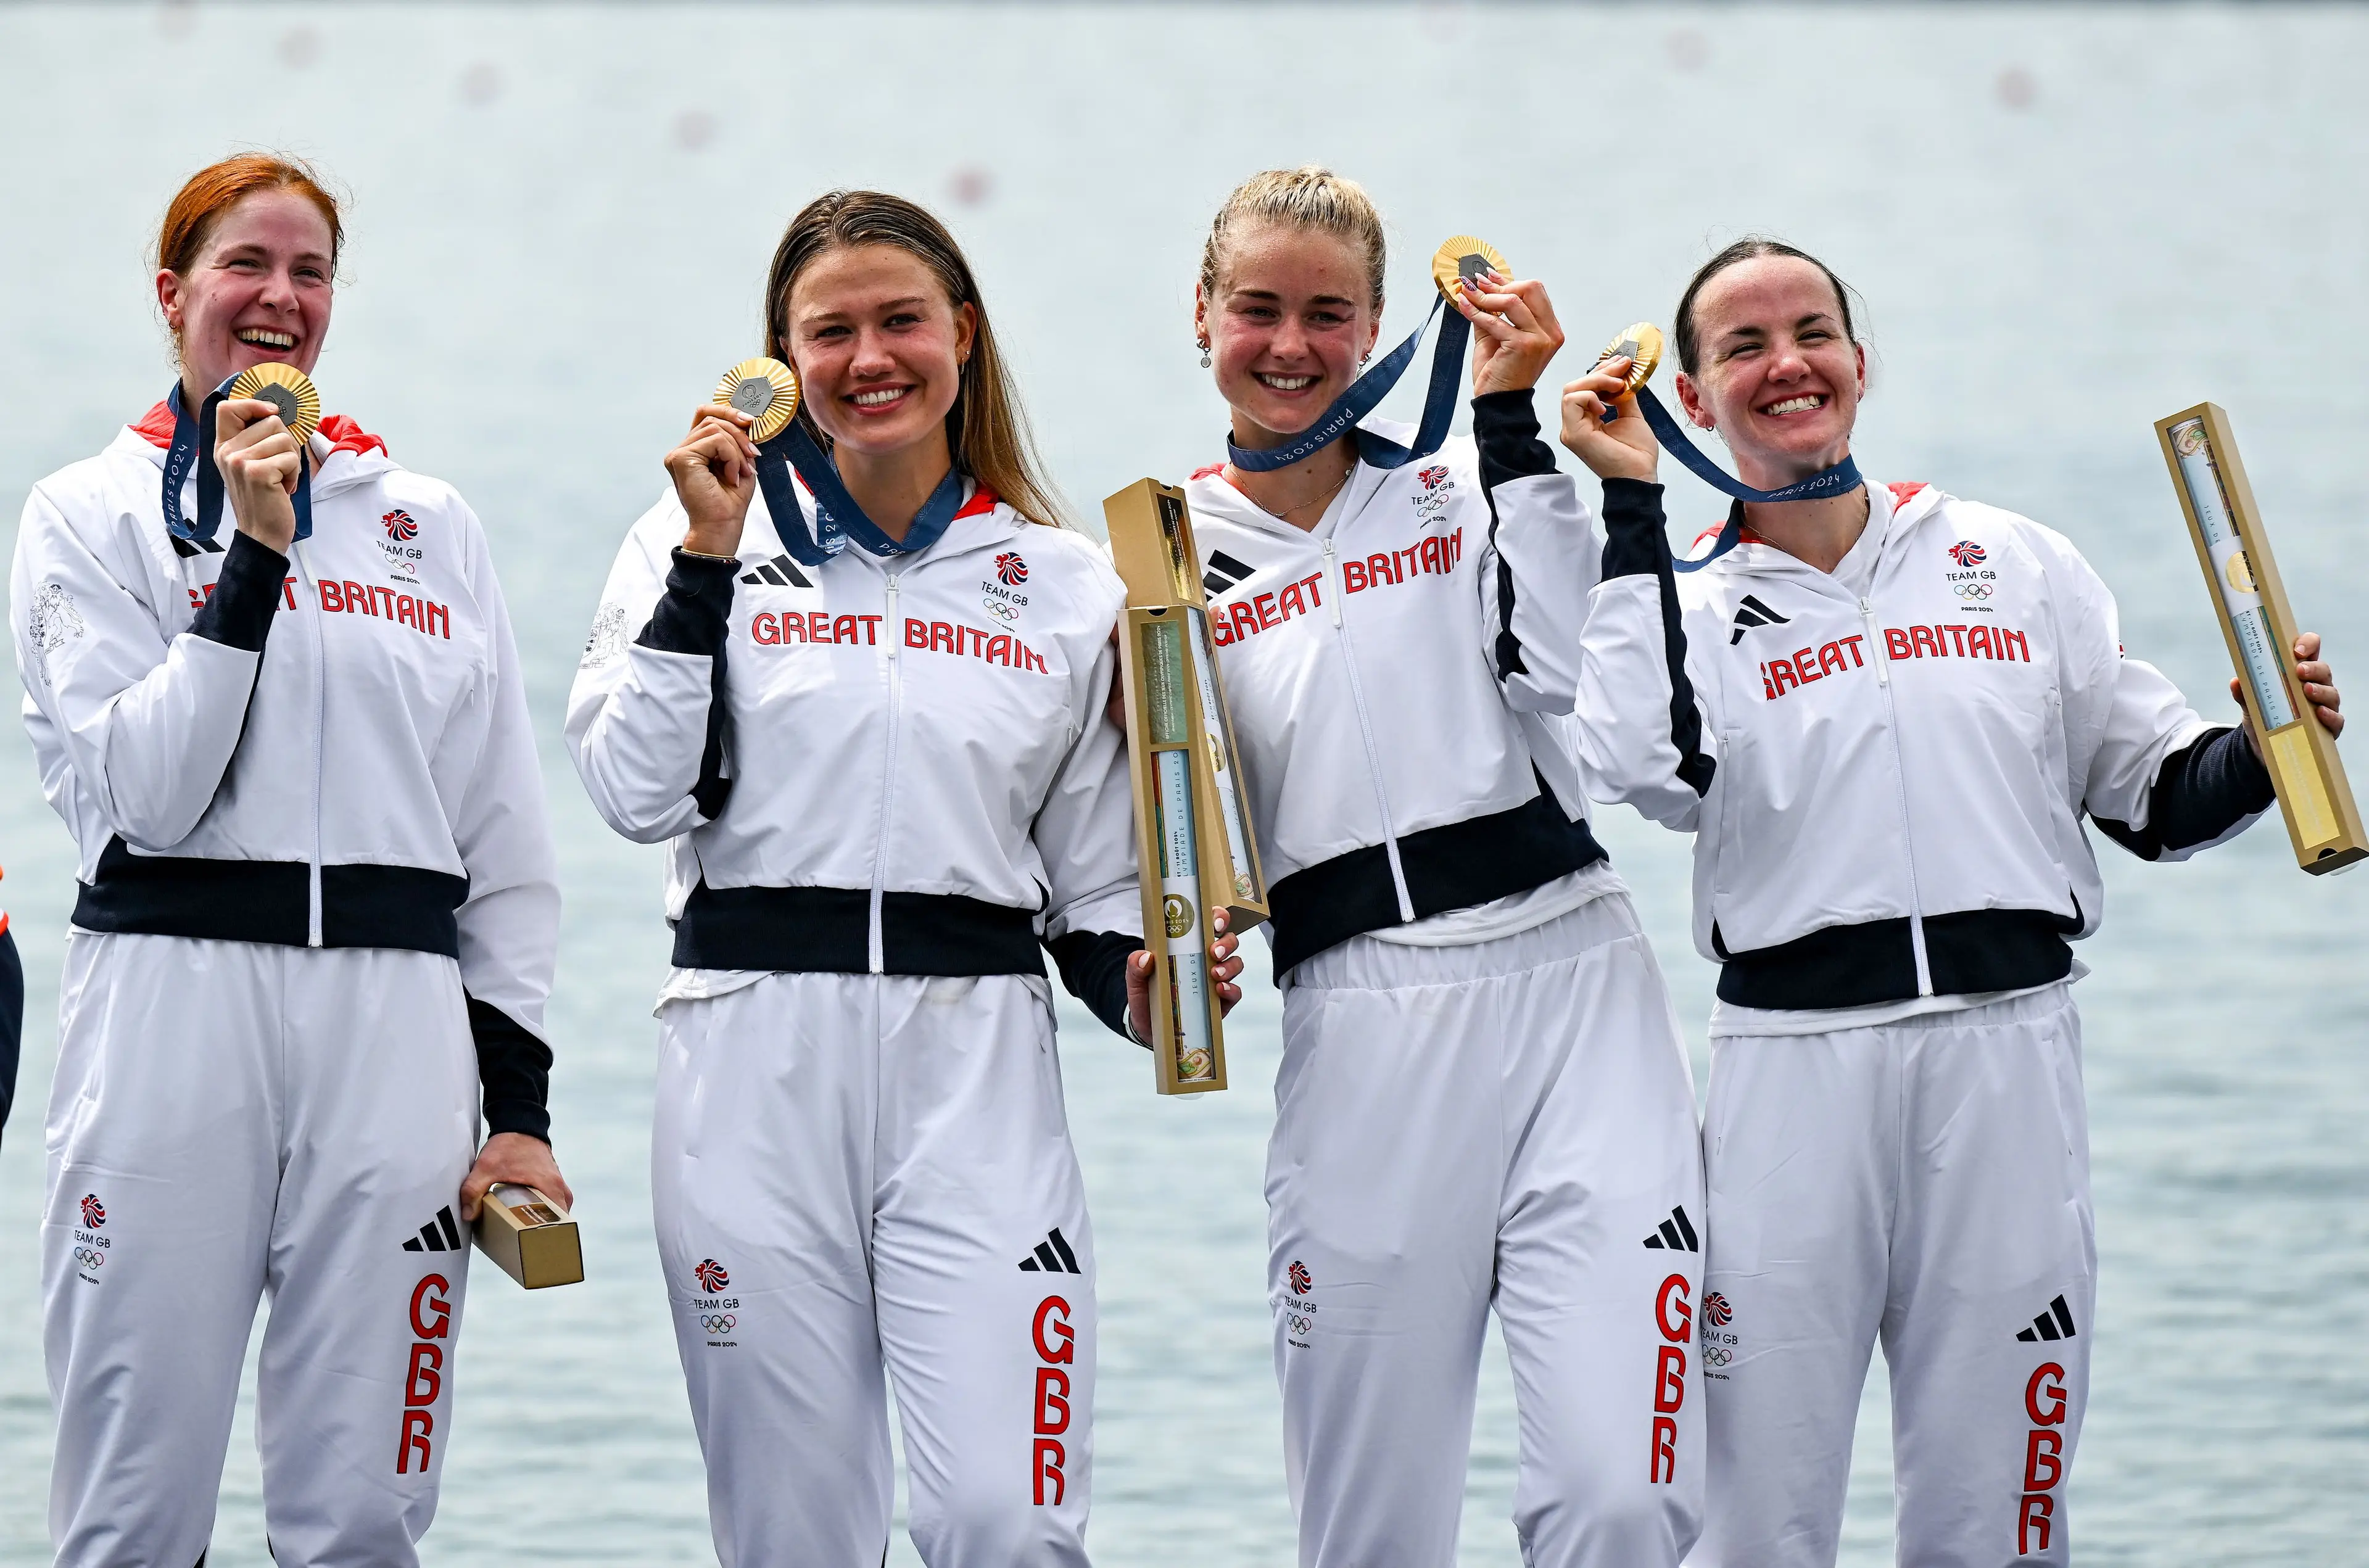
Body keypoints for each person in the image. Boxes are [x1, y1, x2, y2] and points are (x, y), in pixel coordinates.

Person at [1557, 236, 2344, 1567]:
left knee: (2004, 1511)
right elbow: (1641, 763)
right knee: (1759, 1517)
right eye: (1743, 347)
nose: (1786, 364)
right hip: (1796, 1079)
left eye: (1811, 332)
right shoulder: (1679, 598)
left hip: (2007, 1061)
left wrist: (2268, 747)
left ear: (1860, 363)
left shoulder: (2010, 556)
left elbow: (2151, 791)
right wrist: (1630, 505)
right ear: (1693, 398)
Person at [566, 189, 1238, 1568]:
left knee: (1009, 1519)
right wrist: (704, 561)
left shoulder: (1066, 581)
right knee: (793, 1535)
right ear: (780, 359)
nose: (870, 358)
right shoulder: (692, 538)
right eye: (832, 332)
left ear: (965, 336)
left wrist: (1148, 979)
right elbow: (633, 791)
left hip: (974, 1076)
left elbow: (1094, 885)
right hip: (750, 1062)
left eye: (901, 322)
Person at [11, 153, 564, 1567]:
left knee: (364, 1513)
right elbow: (150, 789)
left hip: (395, 1039)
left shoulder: (424, 520)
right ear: (174, 295)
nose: (278, 298)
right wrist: (252, 560)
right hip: (171, 1018)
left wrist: (520, 1106)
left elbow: (498, 839)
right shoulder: (89, 512)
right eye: (245, 266)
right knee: (134, 1512)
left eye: (308, 271)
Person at [1183, 167, 1706, 1568]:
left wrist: (1509, 419)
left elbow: (1559, 682)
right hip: (1359, 1019)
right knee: (1372, 1529)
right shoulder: (1157, 558)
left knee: (1624, 1495)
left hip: (1575, 990)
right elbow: (1141, 830)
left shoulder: (1464, 478)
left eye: (1329, 315)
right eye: (1259, 309)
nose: (1291, 345)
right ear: (1203, 317)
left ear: (1373, 330)